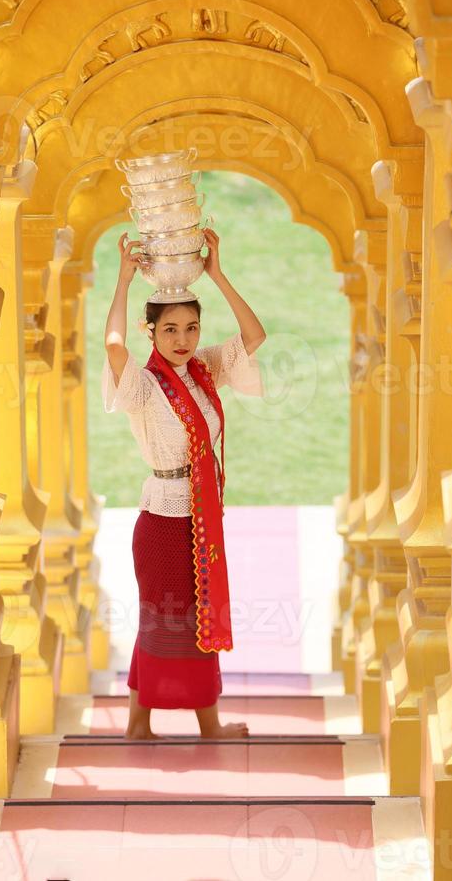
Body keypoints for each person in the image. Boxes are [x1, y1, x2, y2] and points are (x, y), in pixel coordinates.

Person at [102, 226, 266, 739]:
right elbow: (111, 345)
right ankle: (146, 724)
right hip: (164, 521)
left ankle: (187, 723)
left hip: (200, 520)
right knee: (164, 623)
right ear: (150, 332)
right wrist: (123, 281)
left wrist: (216, 274)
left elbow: (254, 337)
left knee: (197, 619)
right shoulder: (146, 386)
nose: (182, 340)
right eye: (170, 330)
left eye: (191, 328)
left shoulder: (203, 371)